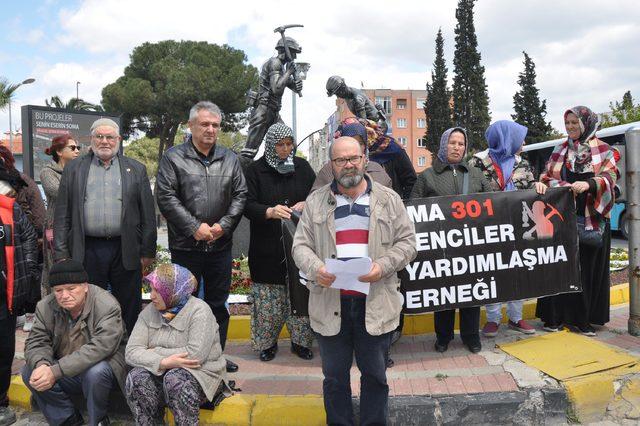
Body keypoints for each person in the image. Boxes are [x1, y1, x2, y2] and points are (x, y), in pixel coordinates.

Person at [292, 136, 416, 425]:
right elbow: (300, 246)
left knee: (375, 376)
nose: (348, 165)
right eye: (340, 160)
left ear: (364, 159)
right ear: (331, 165)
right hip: (330, 303)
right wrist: (316, 268)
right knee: (334, 379)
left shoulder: (389, 199)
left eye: (353, 158)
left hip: (374, 303)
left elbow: (408, 243)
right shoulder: (315, 201)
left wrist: (382, 266)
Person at [156, 101, 247, 373]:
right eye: (205, 124)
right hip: (186, 247)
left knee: (218, 305)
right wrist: (195, 227)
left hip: (220, 246)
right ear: (191, 126)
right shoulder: (173, 157)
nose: (210, 129)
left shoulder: (230, 158)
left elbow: (241, 195)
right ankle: (187, 359)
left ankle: (215, 357)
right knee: (184, 305)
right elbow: (166, 197)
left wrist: (223, 226)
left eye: (215, 125)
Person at [53, 118, 157, 336]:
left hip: (125, 248)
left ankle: (128, 350)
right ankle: (93, 349)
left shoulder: (136, 169)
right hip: (87, 249)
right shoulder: (74, 168)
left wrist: (147, 251)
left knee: (128, 305)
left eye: (110, 137)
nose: (104, 141)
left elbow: (148, 214)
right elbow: (62, 214)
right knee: (89, 304)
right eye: (99, 136)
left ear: (118, 139)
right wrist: (62, 252)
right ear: (91, 139)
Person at [535, 106, 618, 336]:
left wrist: (590, 184)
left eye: (575, 123)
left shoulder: (604, 150)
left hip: (590, 220)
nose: (571, 127)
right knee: (560, 268)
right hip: (562, 219)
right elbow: (546, 176)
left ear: (586, 123)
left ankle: (582, 320)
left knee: (586, 271)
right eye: (568, 123)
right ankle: (554, 317)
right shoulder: (559, 149)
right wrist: (543, 183)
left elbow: (610, 178)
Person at [411, 127, 491, 354]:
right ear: (444, 144)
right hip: (441, 248)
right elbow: (414, 209)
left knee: (472, 291)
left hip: (471, 245)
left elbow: (493, 204)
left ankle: (471, 336)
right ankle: (443, 337)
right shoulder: (427, 176)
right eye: (452, 142)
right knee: (443, 292)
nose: (457, 147)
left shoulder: (476, 175)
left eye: (461, 143)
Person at [22, 260, 127, 426]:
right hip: (67, 368)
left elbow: (101, 347)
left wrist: (56, 371)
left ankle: (98, 420)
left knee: (95, 372)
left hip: (102, 368)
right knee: (30, 371)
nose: (64, 295)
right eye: (58, 290)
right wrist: (42, 364)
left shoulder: (106, 304)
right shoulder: (45, 306)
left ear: (85, 286)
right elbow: (36, 340)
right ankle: (67, 418)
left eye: (71, 289)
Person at [244, 123, 316, 362]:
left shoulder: (303, 168)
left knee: (301, 297)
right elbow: (246, 205)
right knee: (268, 302)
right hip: (267, 249)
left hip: (299, 247)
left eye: (289, 144)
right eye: (280, 145)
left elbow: (318, 195)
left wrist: (307, 204)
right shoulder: (255, 171)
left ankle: (301, 343)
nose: (286, 149)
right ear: (271, 145)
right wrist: (269, 212)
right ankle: (267, 344)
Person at [469, 120, 547, 337]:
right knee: (492, 270)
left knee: (517, 271)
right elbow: (469, 196)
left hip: (518, 227)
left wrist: (539, 186)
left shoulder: (521, 164)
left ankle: (516, 317)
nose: (522, 142)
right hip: (488, 229)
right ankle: (493, 319)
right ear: (506, 138)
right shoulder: (477, 163)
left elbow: (532, 189)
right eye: (518, 137)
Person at [125, 264, 230, 425]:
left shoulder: (199, 311)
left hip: (202, 374)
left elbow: (195, 355)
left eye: (157, 290)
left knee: (175, 380)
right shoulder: (149, 312)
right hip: (162, 373)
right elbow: (131, 352)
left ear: (173, 291)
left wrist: (155, 351)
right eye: (150, 289)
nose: (151, 296)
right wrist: (163, 362)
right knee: (136, 377)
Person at [0, 187, 38, 426]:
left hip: (4, 297)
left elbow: (29, 239)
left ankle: (1, 402)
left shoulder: (8, 208)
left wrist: (26, 275)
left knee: (4, 352)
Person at [0, 146, 46, 333]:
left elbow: (33, 212)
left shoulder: (15, 181)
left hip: (18, 241)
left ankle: (28, 313)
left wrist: (37, 236)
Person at [241, 37, 303, 161]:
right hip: (263, 111)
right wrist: (289, 72)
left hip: (274, 113)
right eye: (294, 53)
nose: (295, 57)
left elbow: (294, 87)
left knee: (290, 145)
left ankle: (275, 174)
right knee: (249, 152)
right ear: (286, 51)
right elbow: (276, 88)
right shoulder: (274, 63)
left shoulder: (282, 68)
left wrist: (297, 83)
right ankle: (241, 178)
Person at [40, 134, 80, 298]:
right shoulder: (47, 172)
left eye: (78, 147)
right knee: (56, 269)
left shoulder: (79, 171)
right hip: (55, 228)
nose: (77, 151)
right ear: (59, 151)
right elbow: (59, 192)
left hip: (76, 227)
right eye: (72, 147)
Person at [311, 118, 392, 191]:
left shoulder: (377, 169)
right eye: (350, 142)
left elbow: (389, 201)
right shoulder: (328, 170)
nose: (354, 146)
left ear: (365, 145)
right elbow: (316, 200)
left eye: (360, 143)